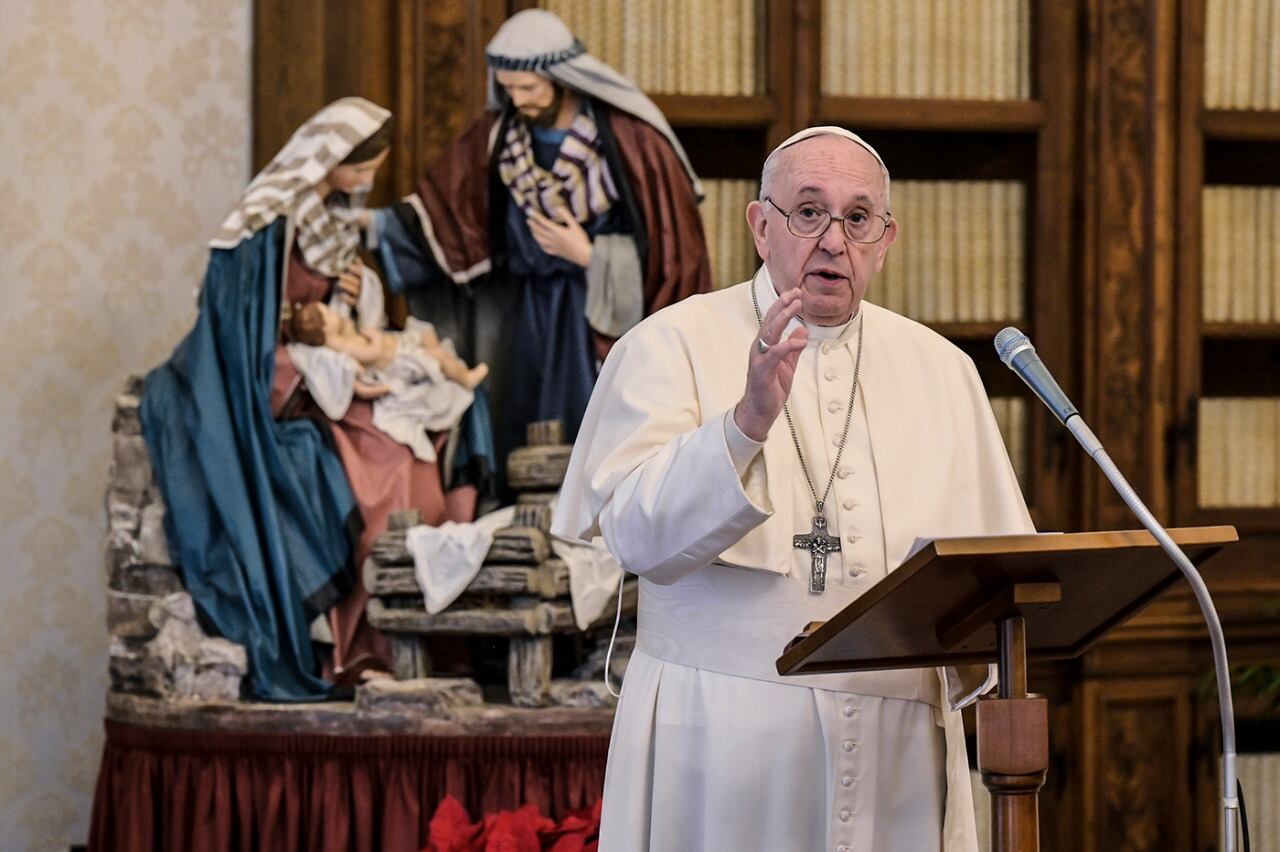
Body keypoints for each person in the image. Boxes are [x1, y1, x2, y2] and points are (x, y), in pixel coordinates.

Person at [552, 127, 1035, 851]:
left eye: (858, 217)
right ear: (760, 225)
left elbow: (994, 577)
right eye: (808, 211)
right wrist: (744, 426)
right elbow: (633, 538)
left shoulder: (943, 371)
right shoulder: (668, 344)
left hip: (898, 756)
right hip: (718, 747)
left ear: (886, 237)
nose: (834, 240)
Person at [142, 98, 475, 698]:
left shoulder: (327, 215)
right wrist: (325, 358)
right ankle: (355, 647)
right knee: (385, 463)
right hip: (269, 382)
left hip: (327, 371)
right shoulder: (267, 225)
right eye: (365, 166)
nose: (370, 180)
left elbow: (339, 314)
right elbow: (246, 336)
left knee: (434, 424)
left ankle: (422, 635)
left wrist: (355, 296)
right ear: (333, 160)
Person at [371, 9, 711, 488]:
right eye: (509, 88)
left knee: (592, 420)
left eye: (530, 88)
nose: (519, 99)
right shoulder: (502, 136)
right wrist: (376, 227)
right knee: (521, 414)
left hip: (596, 313)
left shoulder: (629, 141)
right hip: (525, 308)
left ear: (563, 80)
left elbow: (672, 251)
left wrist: (589, 255)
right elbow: (444, 209)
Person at [287, 299, 488, 463]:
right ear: (324, 327)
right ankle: (465, 378)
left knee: (426, 334)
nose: (333, 313)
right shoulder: (341, 346)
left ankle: (453, 369)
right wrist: (374, 338)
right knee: (437, 356)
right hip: (399, 363)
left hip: (399, 348)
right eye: (328, 314)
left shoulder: (341, 338)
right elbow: (371, 353)